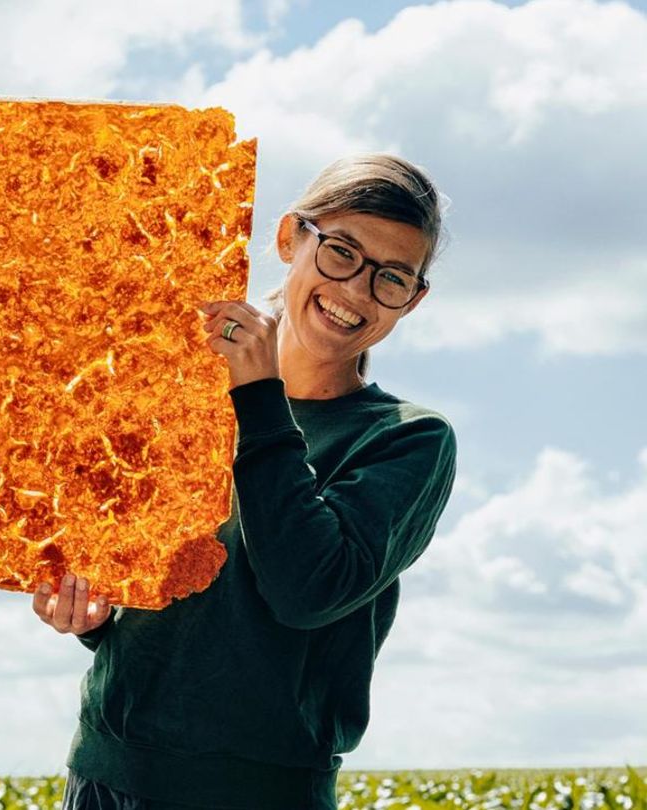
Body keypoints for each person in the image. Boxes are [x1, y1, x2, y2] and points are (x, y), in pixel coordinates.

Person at [33, 154, 457, 809]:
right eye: (341, 252)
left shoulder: (408, 440)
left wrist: (258, 396)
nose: (354, 292)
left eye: (391, 278)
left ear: (415, 298)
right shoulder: (177, 400)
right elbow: (151, 587)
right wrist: (92, 615)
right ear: (290, 238)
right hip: (106, 778)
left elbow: (306, 590)